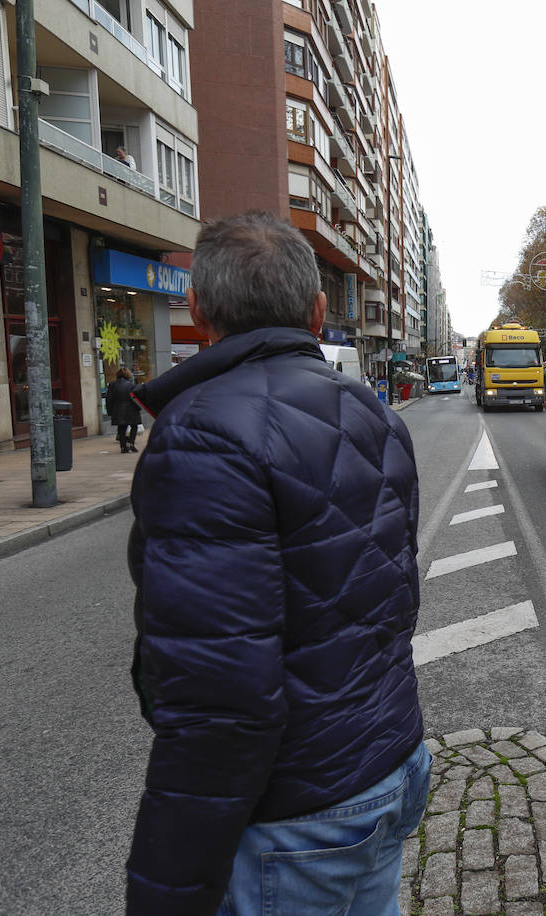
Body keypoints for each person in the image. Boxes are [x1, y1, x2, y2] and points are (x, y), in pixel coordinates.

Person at [124, 211, 427, 916]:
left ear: (198, 310)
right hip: (390, 761)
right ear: (319, 312)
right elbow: (394, 600)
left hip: (300, 808)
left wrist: (168, 889)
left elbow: (220, 694)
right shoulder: (372, 412)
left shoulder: (203, 433)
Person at [104, 366, 141, 453]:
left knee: (121, 428)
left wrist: (109, 411)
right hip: (131, 408)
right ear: (128, 375)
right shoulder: (131, 385)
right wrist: (138, 408)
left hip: (117, 409)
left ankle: (123, 447)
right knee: (134, 426)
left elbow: (109, 399)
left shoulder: (112, 385)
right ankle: (131, 444)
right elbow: (135, 398)